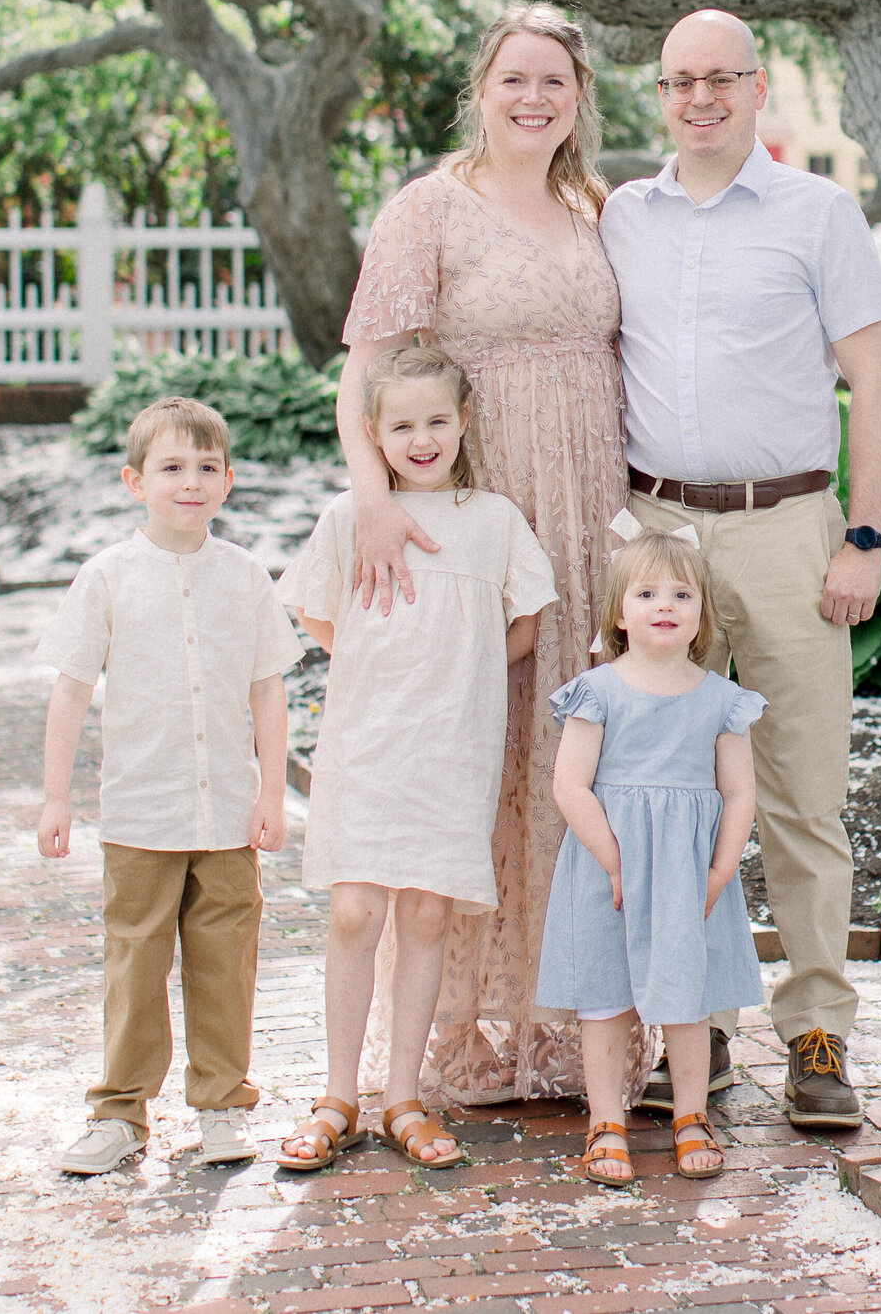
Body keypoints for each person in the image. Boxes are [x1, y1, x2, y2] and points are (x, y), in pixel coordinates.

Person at [334, 3, 647, 1105]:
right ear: (481, 90)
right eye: (513, 80)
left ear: (579, 98)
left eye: (553, 82)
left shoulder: (594, 206)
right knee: (478, 750)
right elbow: (366, 370)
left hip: (584, 510)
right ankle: (465, 1029)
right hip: (472, 508)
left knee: (575, 753)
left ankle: (567, 1022)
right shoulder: (429, 209)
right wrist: (374, 501)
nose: (532, 99)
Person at [598, 9, 881, 1129]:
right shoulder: (621, 215)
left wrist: (861, 538)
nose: (701, 99)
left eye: (722, 79)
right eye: (681, 81)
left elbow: (873, 379)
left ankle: (817, 1030)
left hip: (786, 530)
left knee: (801, 797)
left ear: (758, 88)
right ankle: (696, 1032)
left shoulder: (817, 214)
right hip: (657, 536)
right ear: (660, 94)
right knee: (668, 794)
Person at [274, 347, 555, 1171]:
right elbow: (319, 617)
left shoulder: (493, 518)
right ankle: (338, 1093)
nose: (422, 438)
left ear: (464, 423)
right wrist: (380, 662)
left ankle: (403, 1094)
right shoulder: (349, 517)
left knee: (428, 911)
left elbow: (528, 624)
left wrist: (461, 671)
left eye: (438, 420)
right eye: (402, 425)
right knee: (357, 908)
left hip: (452, 746)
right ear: (375, 434)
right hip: (369, 741)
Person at [35, 395, 299, 1175]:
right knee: (134, 965)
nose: (191, 482)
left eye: (207, 467)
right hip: (140, 815)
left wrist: (272, 791)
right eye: (172, 467)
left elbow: (268, 689)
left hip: (225, 813)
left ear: (229, 480)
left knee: (225, 962)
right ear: (134, 480)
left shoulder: (246, 575)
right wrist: (57, 795)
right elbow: (70, 688)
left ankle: (222, 1105)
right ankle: (120, 1111)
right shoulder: (108, 577)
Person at [538, 520, 765, 1187]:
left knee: (686, 998)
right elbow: (570, 783)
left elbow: (739, 792)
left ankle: (691, 1114)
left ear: (702, 615)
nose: (664, 605)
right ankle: (606, 1120)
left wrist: (721, 869)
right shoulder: (599, 689)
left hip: (689, 875)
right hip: (607, 869)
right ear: (618, 611)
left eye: (681, 594)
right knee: (604, 997)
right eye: (646, 593)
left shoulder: (722, 699)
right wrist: (612, 856)